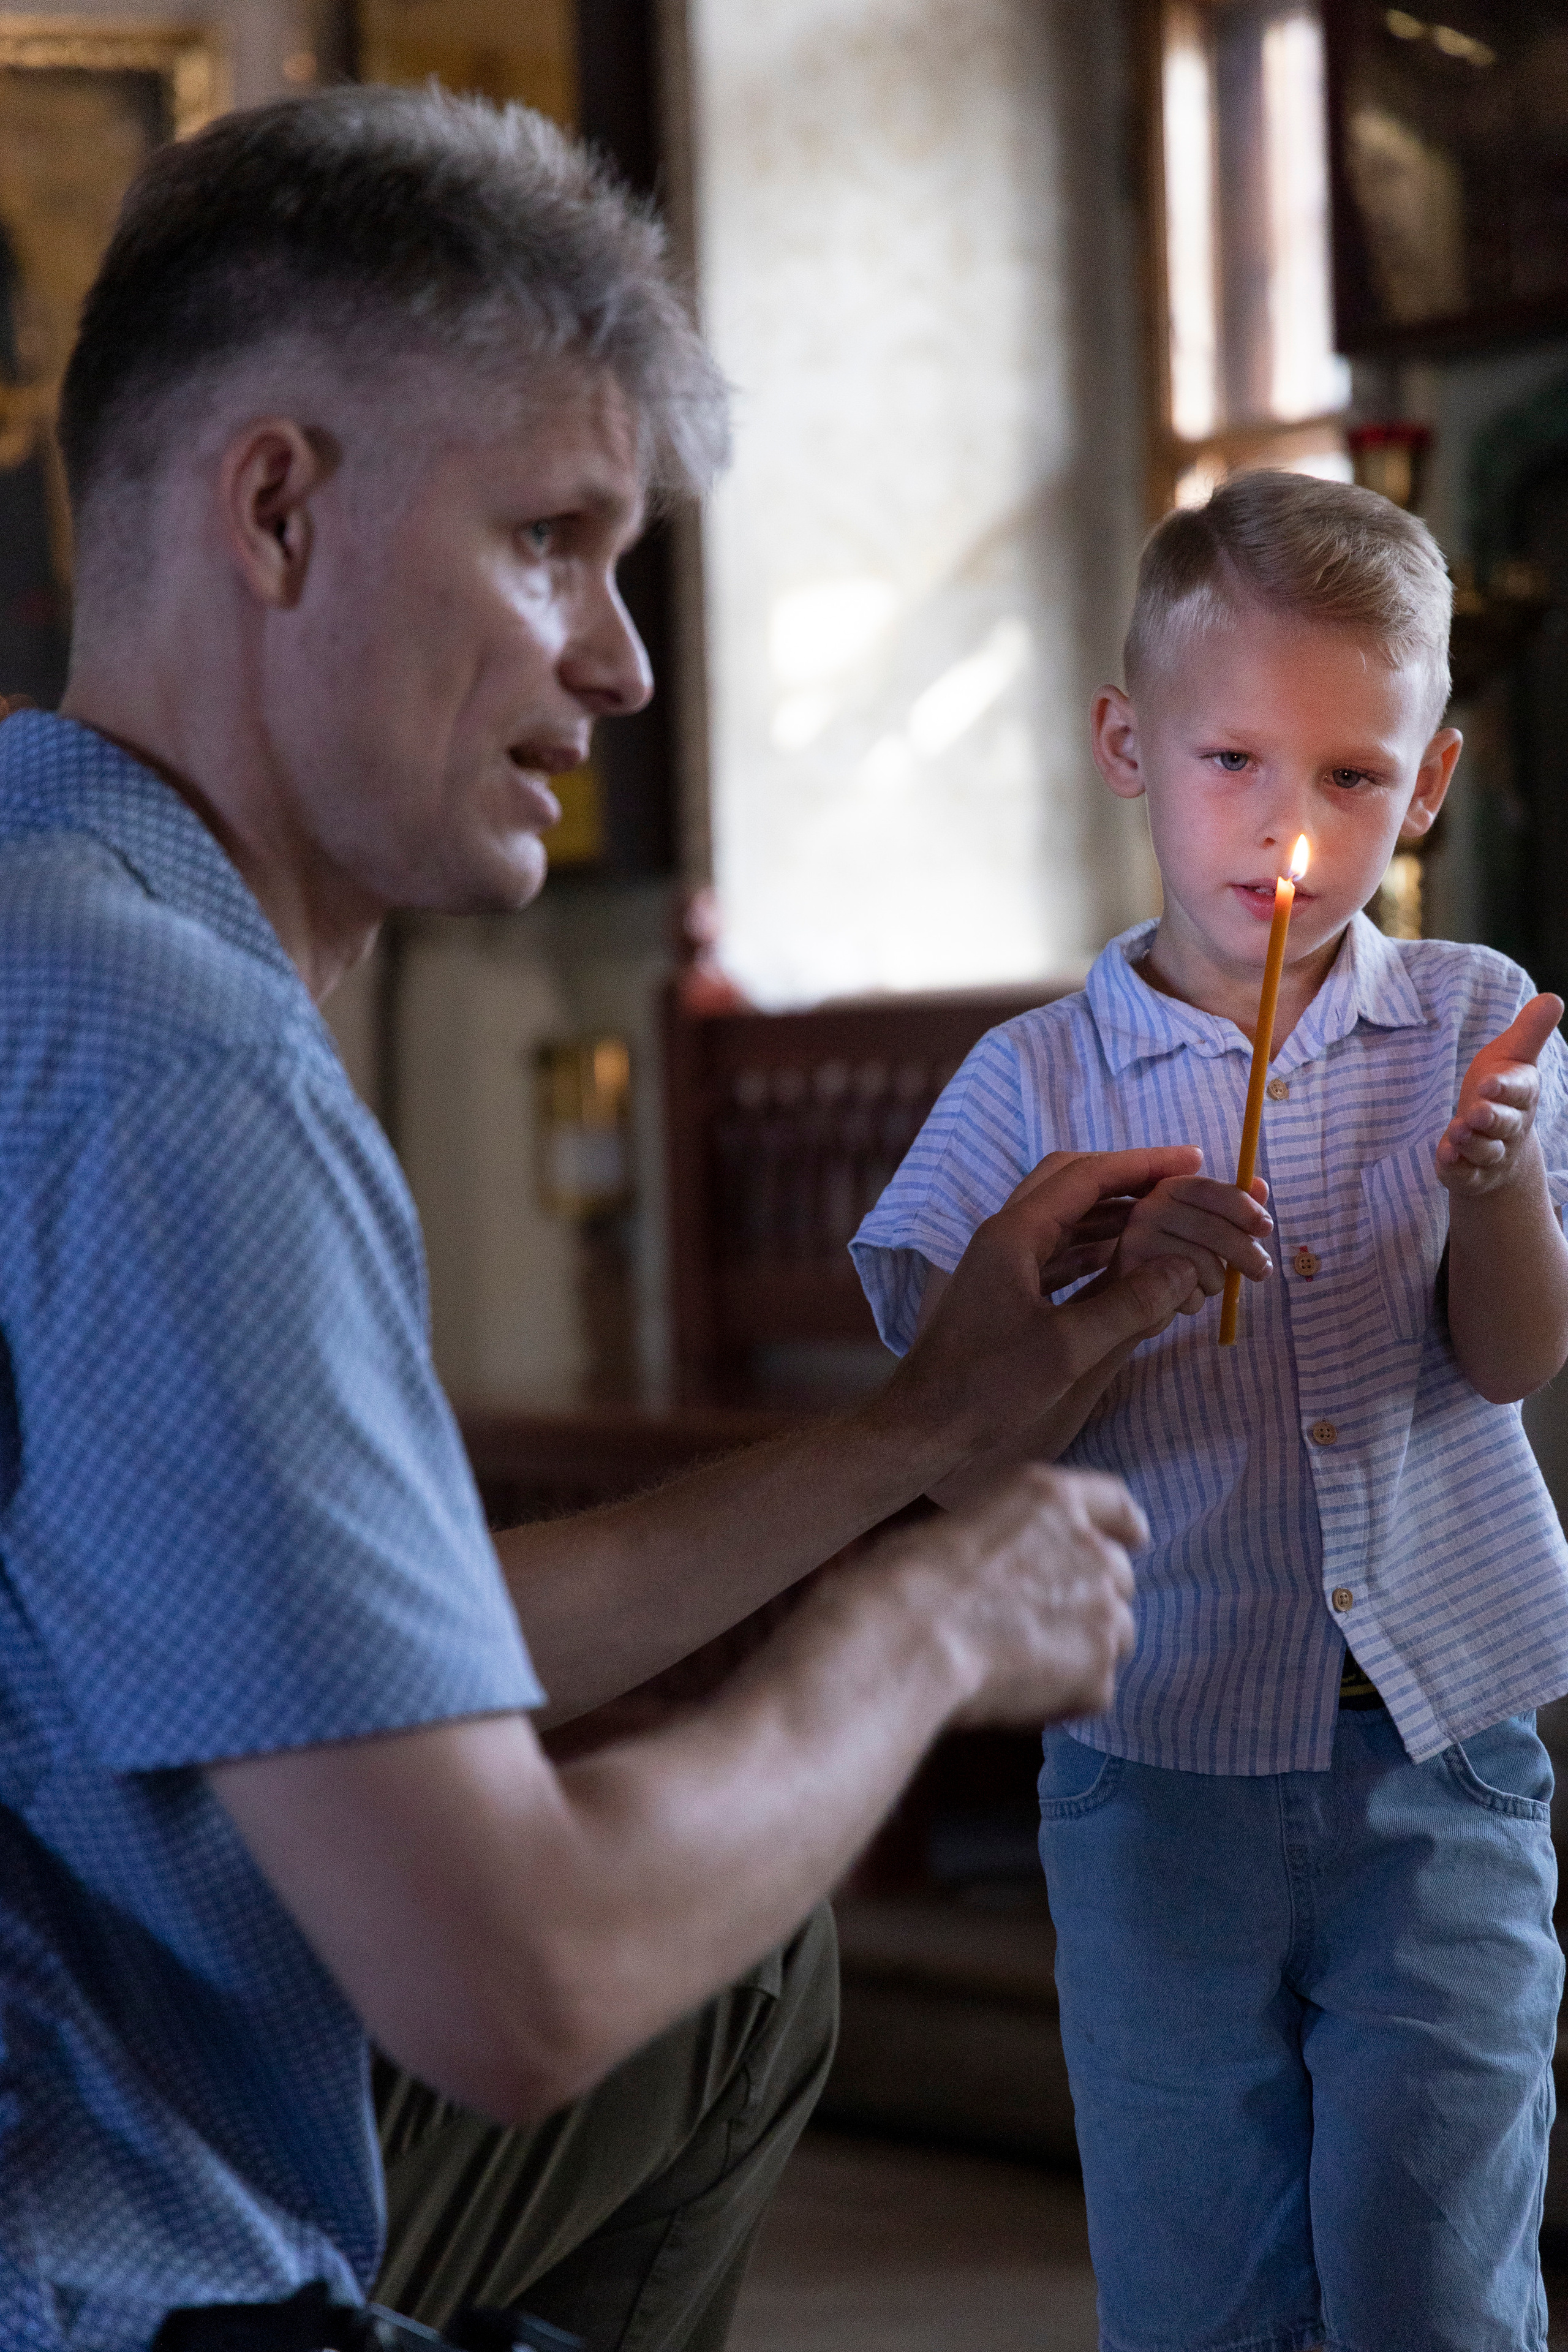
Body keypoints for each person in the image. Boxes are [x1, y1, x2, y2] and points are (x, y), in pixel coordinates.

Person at [0, 85, 1204, 2352]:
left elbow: (356, 1645)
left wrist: (910, 1441)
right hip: (85, 2274)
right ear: (276, 510)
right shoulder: (180, 1063)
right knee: (650, 1961)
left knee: (729, 1974)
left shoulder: (40, 923)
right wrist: (927, 1636)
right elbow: (515, 1984)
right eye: (554, 539)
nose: (622, 663)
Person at [853, 470, 1568, 2352]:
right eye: (1236, 760)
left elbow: (1509, 1364)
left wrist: (1496, 1187)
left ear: (1427, 787)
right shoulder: (1037, 1077)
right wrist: (1104, 1287)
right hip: (1155, 1760)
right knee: (1196, 2289)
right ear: (1129, 747)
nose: (1291, 835)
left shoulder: (1472, 1021)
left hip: (1441, 1758)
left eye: (1351, 779)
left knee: (1439, 2276)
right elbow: (948, 1430)